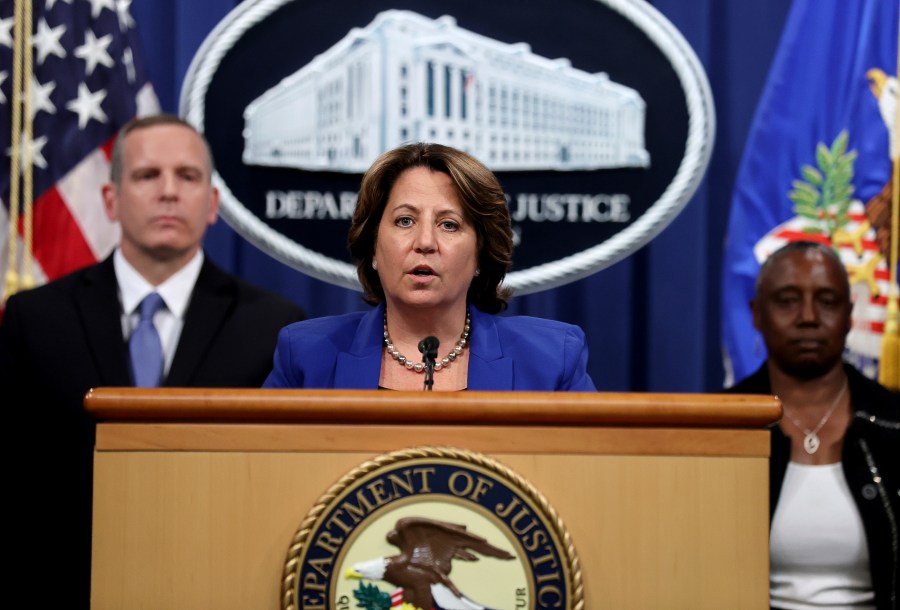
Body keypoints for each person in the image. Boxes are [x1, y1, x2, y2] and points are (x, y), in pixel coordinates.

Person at [0, 114, 305, 607]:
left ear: (211, 204)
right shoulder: (35, 318)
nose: (168, 192)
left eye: (187, 177)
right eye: (146, 176)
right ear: (110, 200)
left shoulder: (272, 326)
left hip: (216, 587)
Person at [264, 142, 595, 391]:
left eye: (449, 225)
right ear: (374, 247)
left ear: (481, 252)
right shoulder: (306, 356)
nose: (425, 241)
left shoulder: (552, 360)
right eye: (405, 220)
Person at [728, 241, 898, 610]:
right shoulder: (723, 424)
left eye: (827, 301)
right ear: (757, 314)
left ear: (850, 315)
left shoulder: (893, 423)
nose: (808, 316)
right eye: (787, 300)